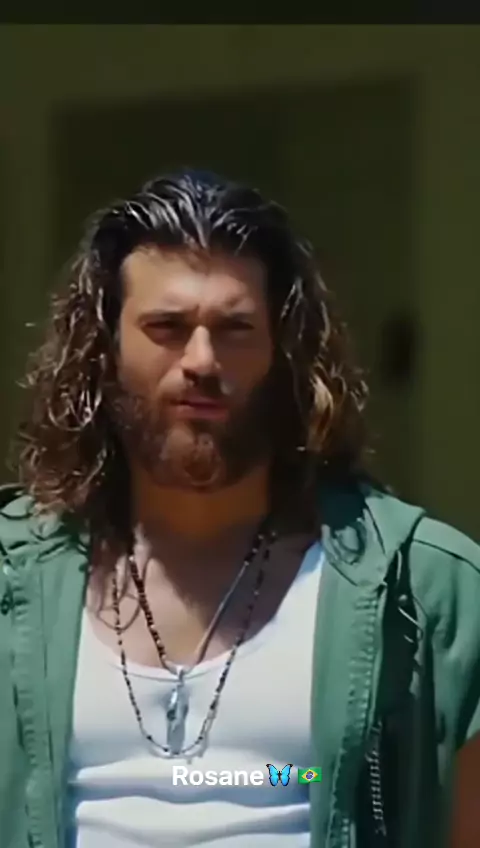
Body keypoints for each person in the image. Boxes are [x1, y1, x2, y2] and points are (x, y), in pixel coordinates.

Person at [0, 170, 478, 848]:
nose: (201, 359)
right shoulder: (13, 579)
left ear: (285, 354)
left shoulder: (423, 591)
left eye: (235, 329)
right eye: (167, 327)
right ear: (104, 353)